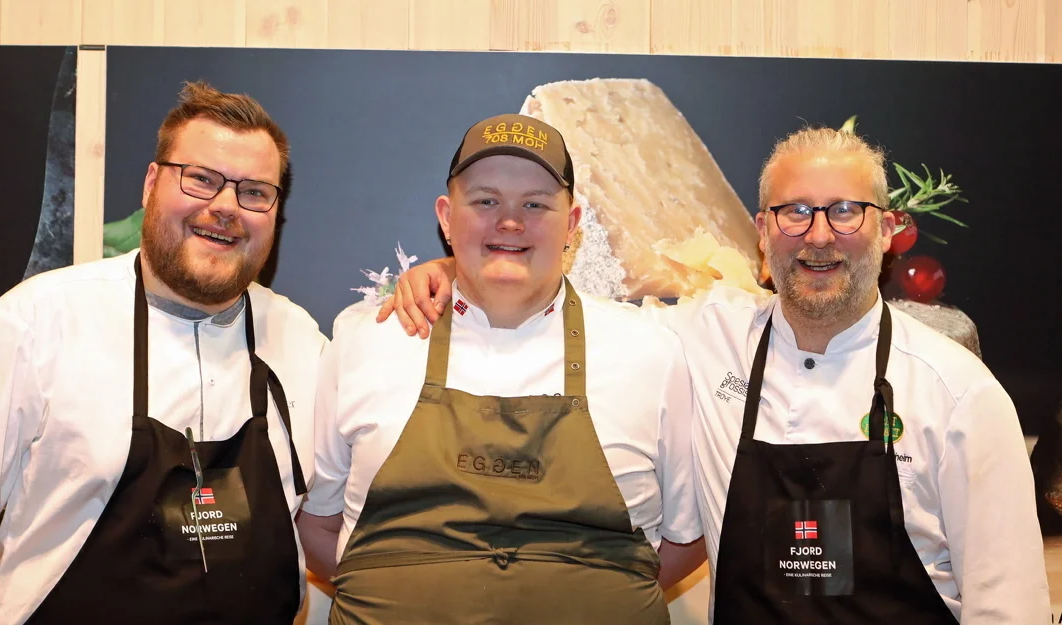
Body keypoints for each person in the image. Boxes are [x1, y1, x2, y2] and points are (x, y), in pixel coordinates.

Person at [380, 126, 1050, 623]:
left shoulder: (958, 393)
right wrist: (460, 268)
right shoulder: (703, 338)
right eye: (793, 212)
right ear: (762, 233)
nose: (818, 235)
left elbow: (1008, 607)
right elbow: (557, 302)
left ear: (885, 229)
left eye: (845, 211)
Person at [296, 114, 703, 624]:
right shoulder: (364, 339)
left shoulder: (650, 352)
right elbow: (317, 527)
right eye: (486, 201)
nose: (510, 222)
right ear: (447, 217)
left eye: (535, 204)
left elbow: (685, 541)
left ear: (572, 224)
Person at [0, 81, 328, 624]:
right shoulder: (35, 323)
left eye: (254, 192)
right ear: (152, 184)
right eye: (200, 179)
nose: (226, 207)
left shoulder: (301, 341)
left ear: (275, 211)